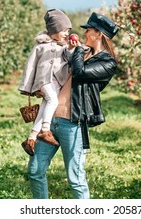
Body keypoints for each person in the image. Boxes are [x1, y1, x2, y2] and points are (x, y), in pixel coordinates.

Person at [27, 12, 119, 199]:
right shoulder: (79, 51)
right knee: (35, 171)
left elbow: (80, 72)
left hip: (73, 123)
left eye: (88, 30)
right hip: (51, 121)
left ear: (99, 34)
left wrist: (76, 51)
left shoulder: (107, 63)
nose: (84, 33)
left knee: (75, 178)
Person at [19, 9, 77, 156]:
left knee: (45, 106)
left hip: (57, 83)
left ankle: (31, 138)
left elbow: (69, 57)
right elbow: (30, 66)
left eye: (68, 30)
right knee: (52, 100)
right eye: (63, 30)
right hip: (43, 81)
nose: (66, 33)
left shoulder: (63, 46)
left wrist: (71, 48)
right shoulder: (40, 46)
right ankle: (45, 130)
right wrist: (27, 87)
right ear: (54, 29)